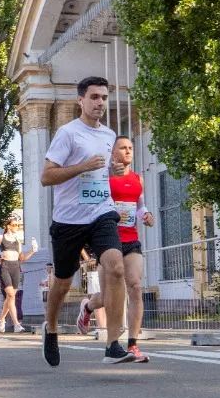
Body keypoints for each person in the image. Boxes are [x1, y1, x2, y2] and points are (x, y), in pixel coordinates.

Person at [40, 76, 135, 365]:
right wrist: (82, 166)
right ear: (80, 100)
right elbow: (46, 177)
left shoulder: (109, 135)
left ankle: (113, 345)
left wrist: (113, 170)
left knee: (116, 267)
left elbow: (103, 172)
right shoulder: (68, 133)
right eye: (94, 97)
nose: (100, 103)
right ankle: (52, 328)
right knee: (62, 283)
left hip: (100, 212)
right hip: (68, 219)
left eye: (104, 98)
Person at [75, 136, 156, 362]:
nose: (128, 151)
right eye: (123, 148)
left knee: (136, 287)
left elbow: (139, 207)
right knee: (110, 295)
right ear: (113, 153)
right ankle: (88, 306)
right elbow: (90, 206)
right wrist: (110, 214)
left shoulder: (138, 179)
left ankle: (132, 345)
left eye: (130, 148)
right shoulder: (104, 179)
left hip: (131, 240)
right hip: (108, 241)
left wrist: (146, 216)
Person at [0, 216, 37, 333]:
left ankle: (1, 318)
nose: (17, 227)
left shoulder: (18, 242)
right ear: (8, 226)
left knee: (10, 296)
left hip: (16, 267)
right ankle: (16, 324)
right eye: (14, 225)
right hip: (5, 266)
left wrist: (32, 251)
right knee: (10, 295)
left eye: (18, 226)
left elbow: (22, 258)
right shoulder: (0, 237)